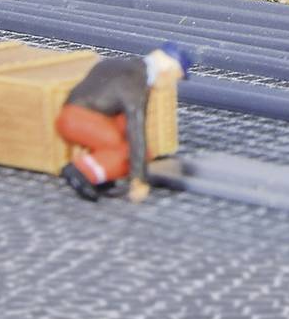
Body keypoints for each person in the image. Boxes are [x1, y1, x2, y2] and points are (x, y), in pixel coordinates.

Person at [56, 46, 189, 203]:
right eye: (175, 77)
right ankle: (81, 171)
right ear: (166, 71)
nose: (172, 83)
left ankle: (101, 176)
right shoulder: (136, 85)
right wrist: (139, 180)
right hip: (78, 119)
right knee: (125, 151)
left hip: (87, 115)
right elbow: (136, 130)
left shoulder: (120, 65)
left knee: (140, 152)